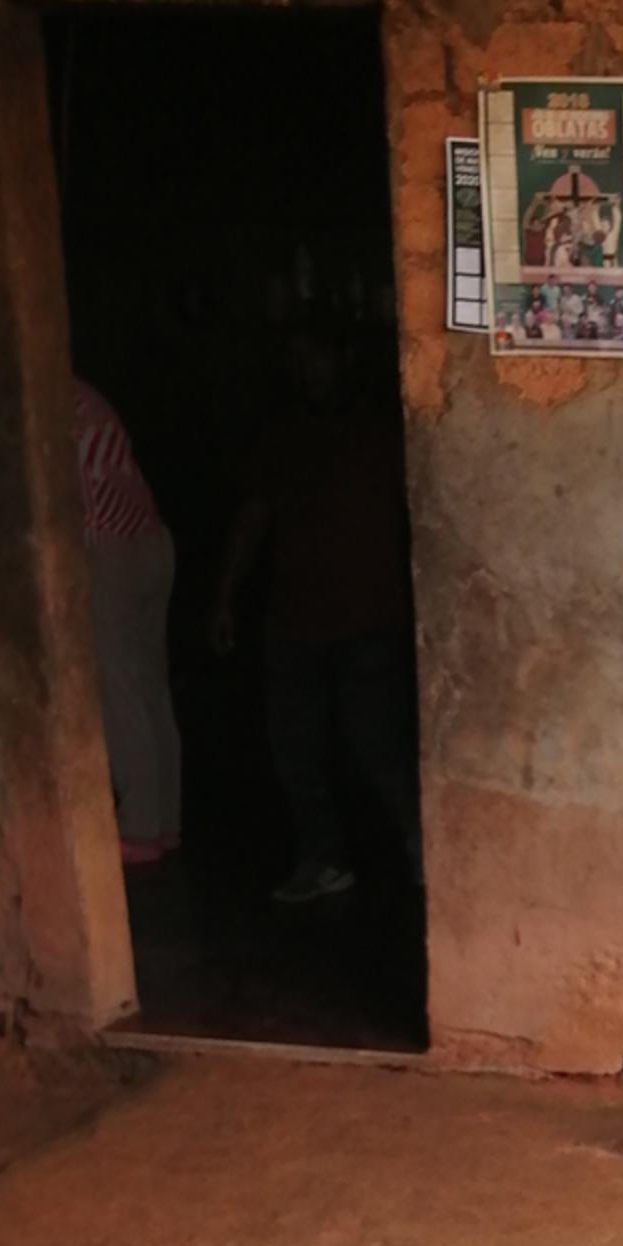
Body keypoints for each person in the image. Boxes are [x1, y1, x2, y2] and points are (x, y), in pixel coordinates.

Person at [209, 322, 421, 905]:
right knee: (294, 749)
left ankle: (424, 850)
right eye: (300, 360)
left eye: (318, 357)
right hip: (295, 617)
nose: (311, 371)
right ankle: (324, 859)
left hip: (369, 615)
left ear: (344, 357)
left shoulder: (382, 429)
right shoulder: (282, 436)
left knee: (376, 744)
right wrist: (225, 595)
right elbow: (253, 520)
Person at [73, 378, 180, 868]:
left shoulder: (55, 402)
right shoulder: (90, 398)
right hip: (151, 538)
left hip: (108, 544)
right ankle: (164, 821)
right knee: (150, 686)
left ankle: (138, 827)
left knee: (121, 687)